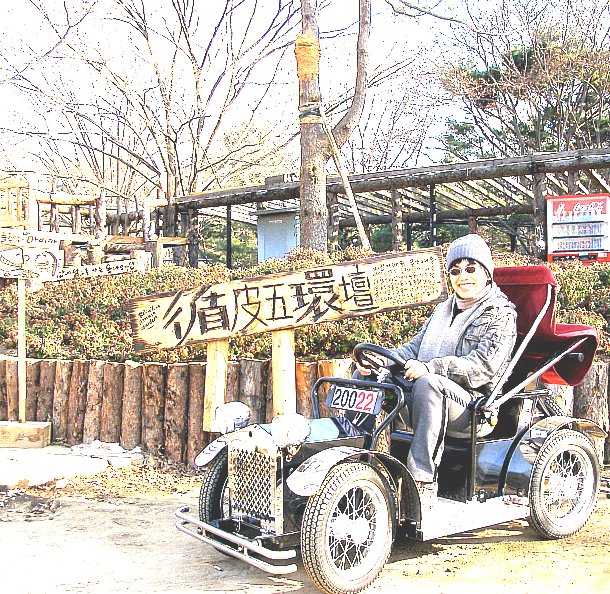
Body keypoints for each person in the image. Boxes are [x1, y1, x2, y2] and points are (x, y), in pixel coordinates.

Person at [356, 234, 517, 507]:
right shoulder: (444, 309)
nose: (463, 277)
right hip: (427, 399)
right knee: (366, 377)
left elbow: (483, 367)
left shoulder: (500, 315)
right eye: (455, 271)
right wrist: (380, 361)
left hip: (474, 410)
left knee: (428, 383)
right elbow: (414, 348)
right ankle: (356, 463)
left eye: (471, 269)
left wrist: (433, 368)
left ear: (487, 273)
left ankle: (423, 481)